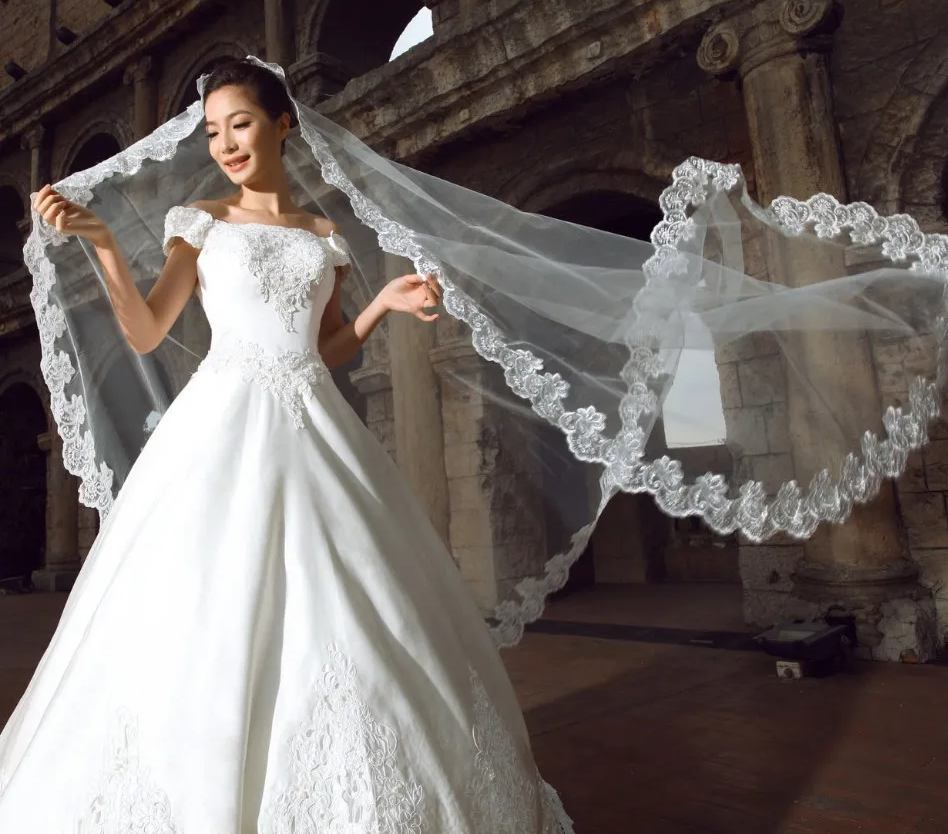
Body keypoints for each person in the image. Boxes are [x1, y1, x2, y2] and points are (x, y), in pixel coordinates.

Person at [0, 60, 574, 831]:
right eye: (212, 132)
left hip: (313, 422)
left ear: (282, 124)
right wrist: (103, 242)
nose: (226, 144)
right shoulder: (199, 222)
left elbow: (326, 347)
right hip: (222, 422)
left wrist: (384, 303)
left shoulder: (323, 235)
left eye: (239, 123)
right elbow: (144, 330)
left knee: (349, 597)